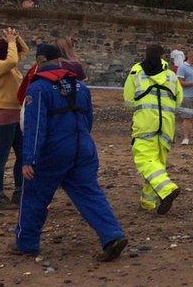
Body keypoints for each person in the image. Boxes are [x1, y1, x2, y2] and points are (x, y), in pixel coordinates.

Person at [11, 43, 127, 261]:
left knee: (35, 195)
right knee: (89, 193)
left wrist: (29, 158)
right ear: (60, 61)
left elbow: (35, 126)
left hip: (53, 150)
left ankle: (26, 243)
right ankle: (112, 235)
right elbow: (88, 120)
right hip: (83, 147)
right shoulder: (80, 87)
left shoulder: (38, 88)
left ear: (38, 62)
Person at [123, 45, 183, 214]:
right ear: (164, 57)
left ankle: (167, 190)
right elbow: (179, 99)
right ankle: (148, 202)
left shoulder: (136, 72)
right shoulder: (171, 75)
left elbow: (128, 101)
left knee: (144, 159)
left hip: (145, 123)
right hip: (167, 124)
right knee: (157, 162)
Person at [0, 28, 28, 209]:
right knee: (0, 157)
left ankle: (19, 191)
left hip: (15, 115)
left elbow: (24, 52)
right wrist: (11, 42)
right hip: (1, 116)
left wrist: (15, 37)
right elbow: (13, 58)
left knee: (22, 154)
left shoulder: (10, 68)